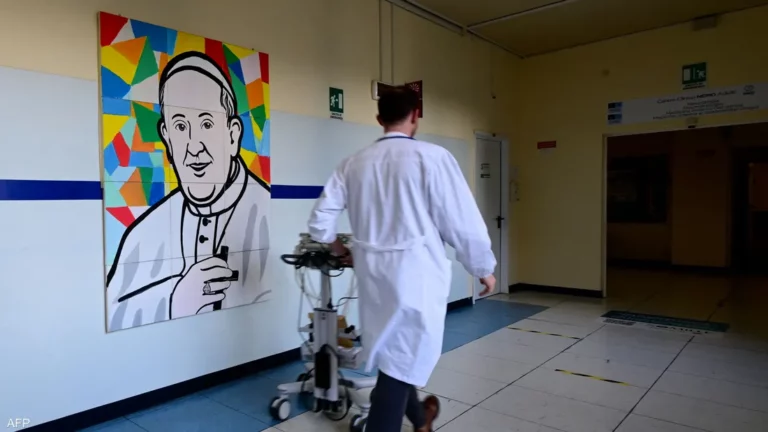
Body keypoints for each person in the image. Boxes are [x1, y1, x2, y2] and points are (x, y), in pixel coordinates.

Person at [308, 86, 497, 431]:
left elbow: (320, 223)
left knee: (394, 354)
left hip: (373, 278)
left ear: (379, 118)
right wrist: (482, 267)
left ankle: (420, 418)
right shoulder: (433, 157)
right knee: (401, 360)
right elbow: (462, 221)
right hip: (416, 277)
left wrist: (342, 251)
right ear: (415, 116)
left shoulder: (353, 163)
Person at [106, 52, 271, 332]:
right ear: (167, 137)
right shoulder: (143, 233)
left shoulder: (265, 214)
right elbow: (111, 310)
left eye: (206, 124)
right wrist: (175, 300)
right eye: (181, 126)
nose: (194, 147)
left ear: (233, 135)